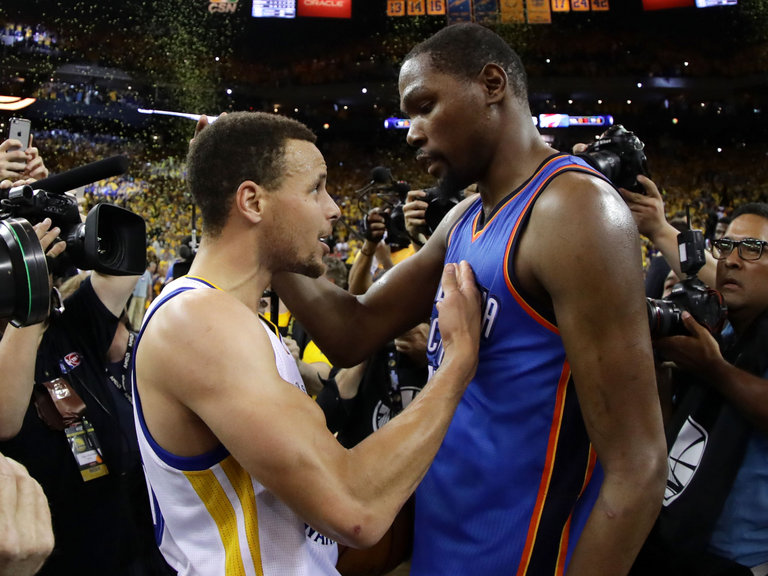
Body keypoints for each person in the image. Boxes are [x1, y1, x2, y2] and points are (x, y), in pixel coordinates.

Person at [273, 22, 667, 576]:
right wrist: (265, 229)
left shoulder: (574, 211)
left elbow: (639, 466)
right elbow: (350, 331)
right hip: (444, 545)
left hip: (524, 554)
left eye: (424, 105)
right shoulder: (464, 216)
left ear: (491, 84)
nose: (410, 132)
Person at [132, 111, 481, 575]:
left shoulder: (226, 315)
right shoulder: (199, 323)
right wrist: (456, 364)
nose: (334, 208)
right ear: (253, 202)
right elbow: (356, 510)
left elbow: (349, 326)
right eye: (316, 187)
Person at [623, 197, 768, 574]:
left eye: (753, 249)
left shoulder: (731, 346)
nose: (732, 260)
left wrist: (713, 368)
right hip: (677, 531)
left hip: (740, 558)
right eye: (726, 247)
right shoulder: (724, 327)